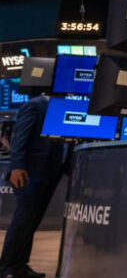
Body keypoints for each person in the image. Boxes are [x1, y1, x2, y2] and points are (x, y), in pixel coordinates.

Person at [0, 96, 67, 278]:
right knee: (23, 220)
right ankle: (7, 268)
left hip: (49, 173)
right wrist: (17, 166)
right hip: (29, 173)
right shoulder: (35, 105)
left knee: (31, 222)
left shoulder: (62, 107)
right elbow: (20, 137)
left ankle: (20, 265)